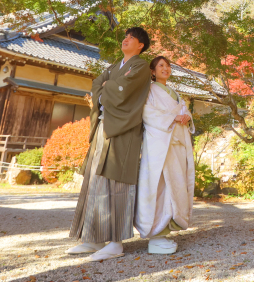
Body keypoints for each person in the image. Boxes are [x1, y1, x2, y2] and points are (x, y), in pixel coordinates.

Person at [67, 27, 152, 260]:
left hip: (123, 130)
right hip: (104, 128)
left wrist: (106, 88)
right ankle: (94, 239)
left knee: (117, 182)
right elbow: (96, 85)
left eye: (131, 38)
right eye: (125, 37)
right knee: (96, 180)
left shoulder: (140, 66)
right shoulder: (115, 66)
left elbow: (122, 91)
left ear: (140, 45)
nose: (125, 40)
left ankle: (116, 242)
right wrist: (105, 88)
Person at [136, 56, 195, 254]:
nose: (166, 68)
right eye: (161, 65)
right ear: (152, 71)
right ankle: (156, 235)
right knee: (160, 186)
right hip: (160, 144)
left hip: (176, 144)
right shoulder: (150, 90)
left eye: (168, 66)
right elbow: (146, 112)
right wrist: (174, 117)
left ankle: (167, 230)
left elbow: (184, 110)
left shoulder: (175, 93)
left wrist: (187, 116)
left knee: (175, 186)